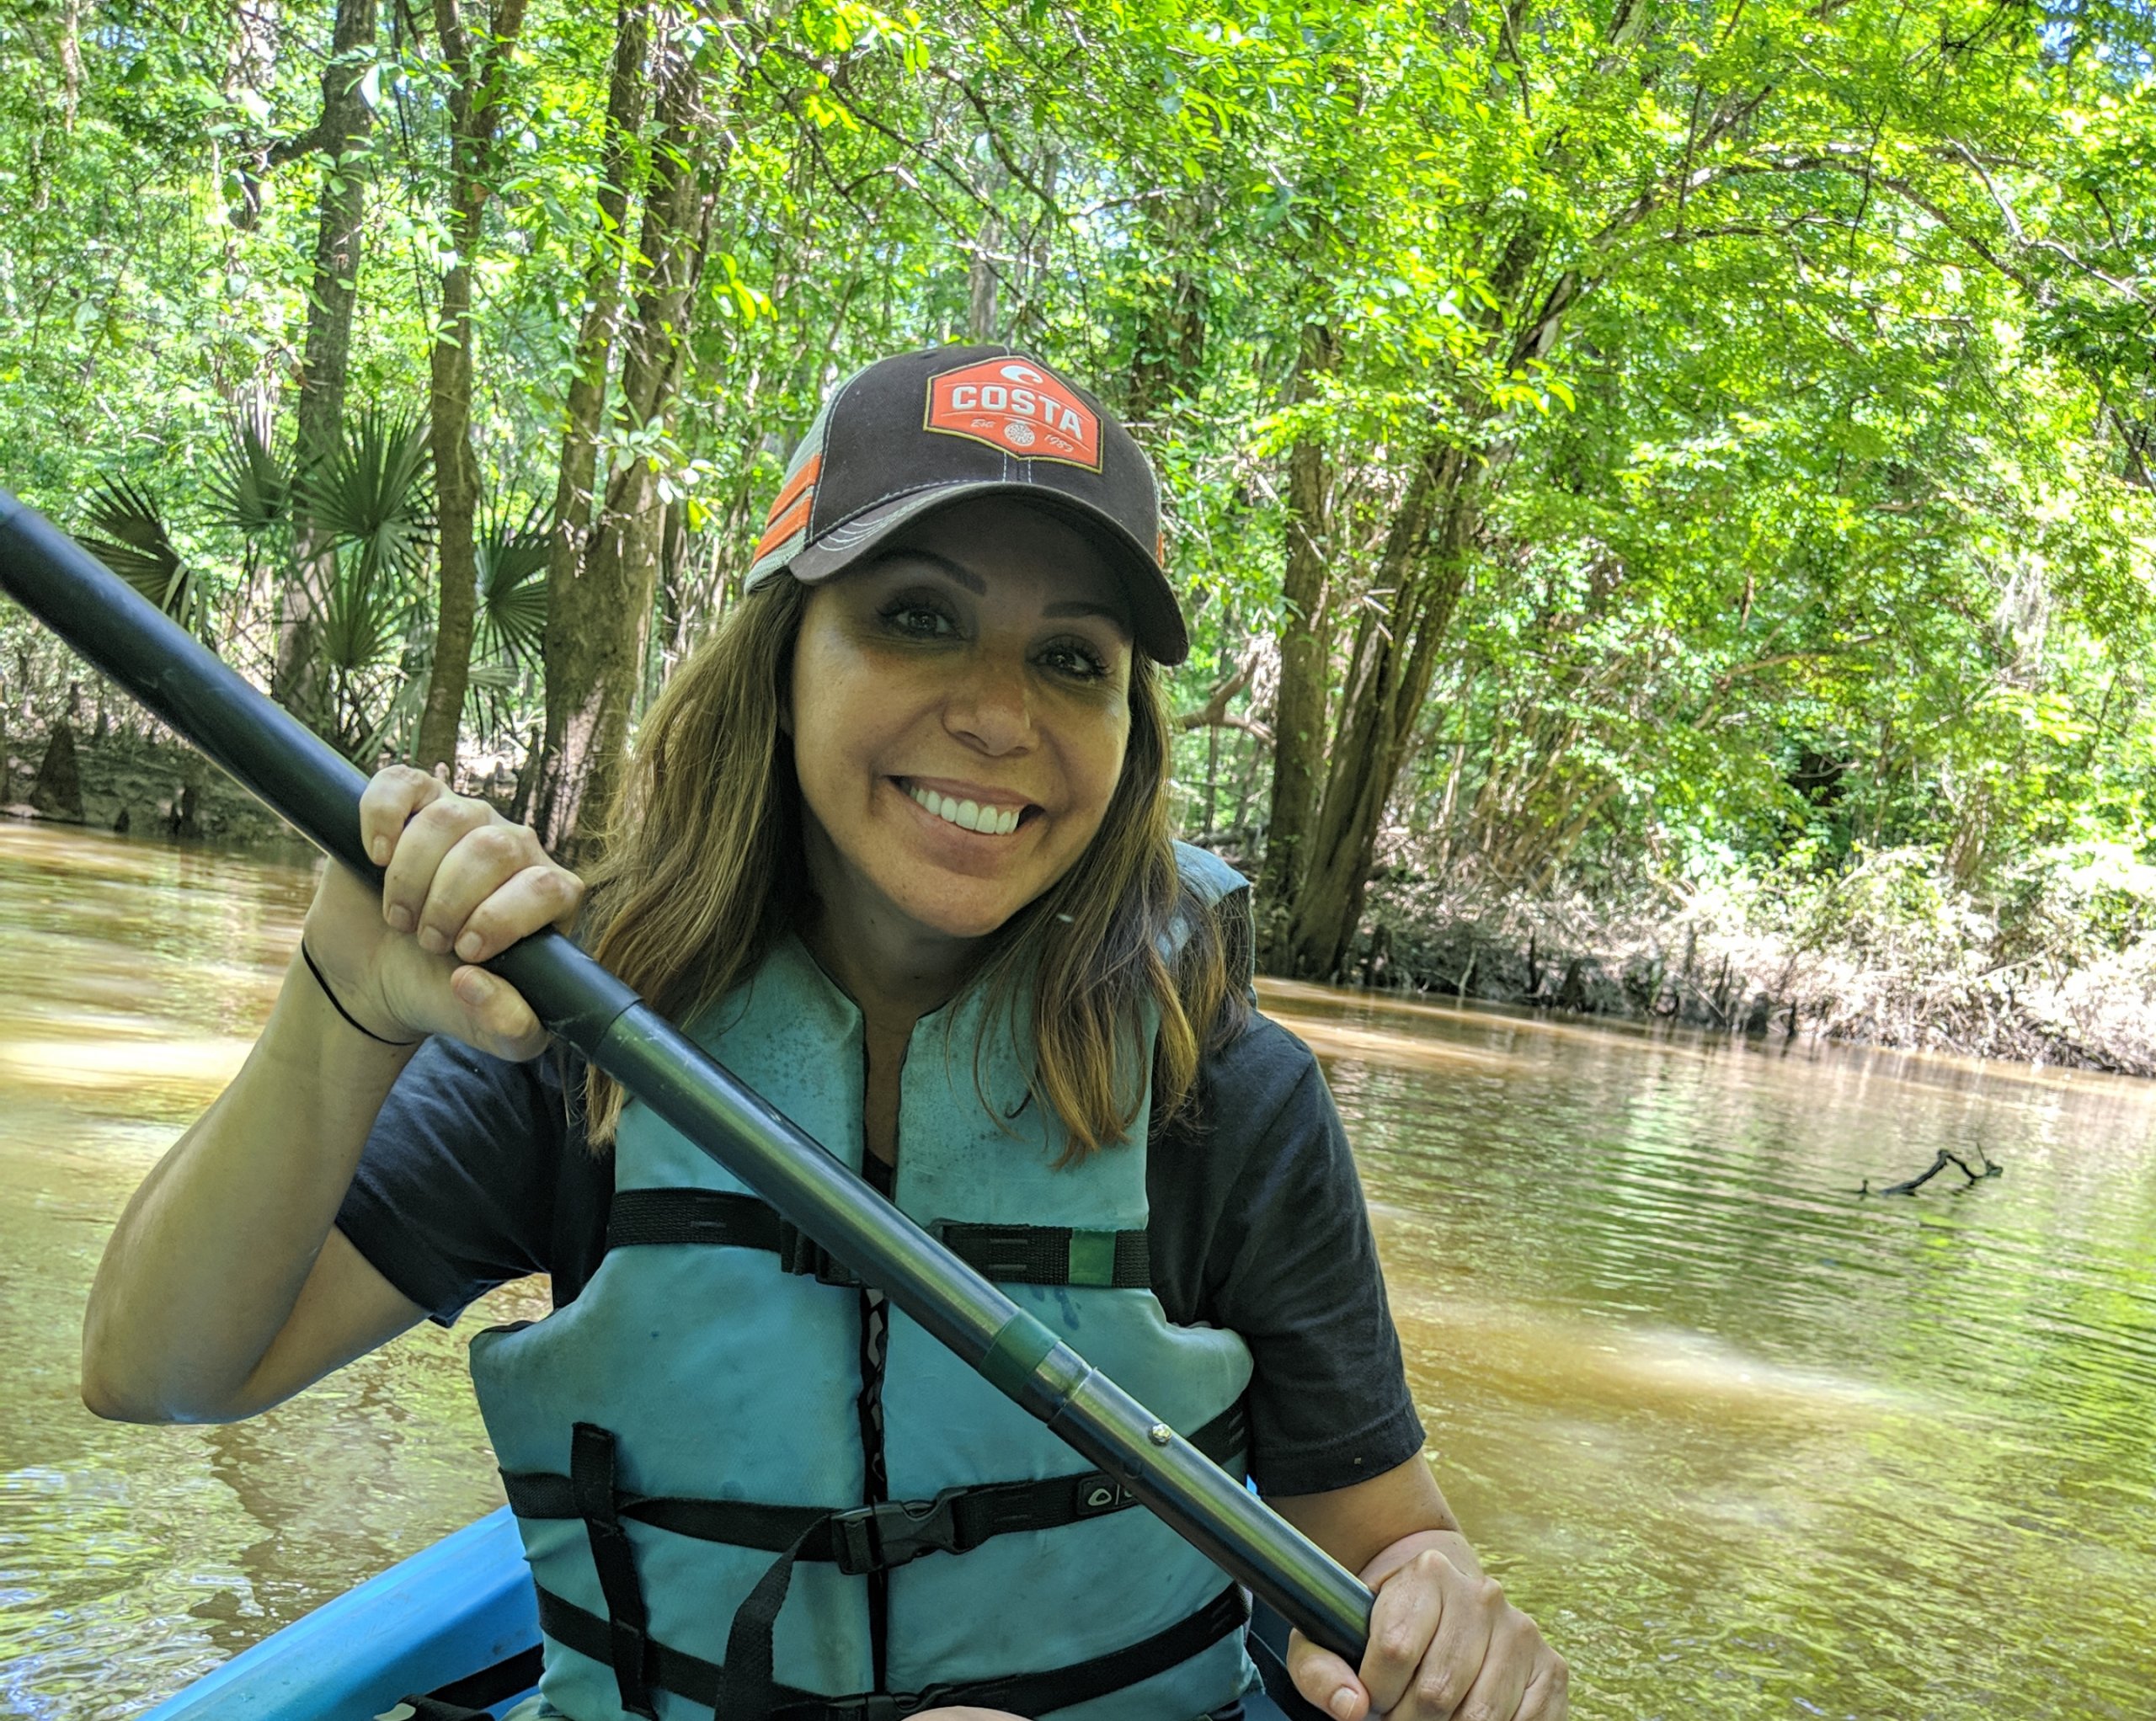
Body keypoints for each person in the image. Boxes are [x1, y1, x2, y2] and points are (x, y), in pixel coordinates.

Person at [80, 345, 1567, 1721]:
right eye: (915, 618)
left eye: (1072, 660)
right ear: (782, 664)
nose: (998, 716)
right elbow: (162, 1373)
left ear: (1130, 732)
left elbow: (1392, 1550)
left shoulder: (1225, 1096)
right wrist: (346, 1007)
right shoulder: (587, 1035)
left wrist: (1437, 1601)